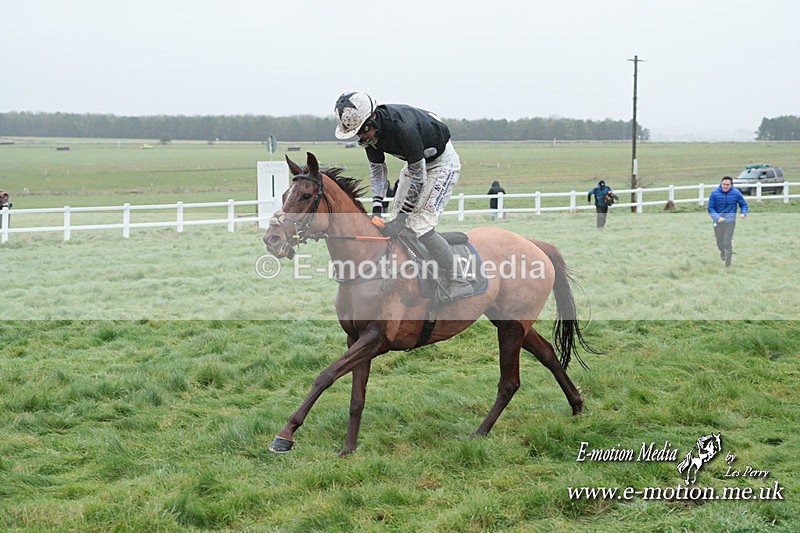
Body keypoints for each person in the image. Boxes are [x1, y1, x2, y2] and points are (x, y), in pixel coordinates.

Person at [334, 91, 471, 299]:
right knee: (395, 226)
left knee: (418, 224)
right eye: (357, 134)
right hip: (416, 164)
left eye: (363, 130)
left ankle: (458, 279)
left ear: (373, 118)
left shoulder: (404, 129)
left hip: (443, 165)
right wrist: (377, 209)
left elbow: (419, 179)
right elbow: (378, 173)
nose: (361, 137)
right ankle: (408, 270)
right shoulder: (368, 136)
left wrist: (402, 216)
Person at [708, 176, 748, 267]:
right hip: (718, 222)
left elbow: (743, 204)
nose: (725, 186)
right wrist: (717, 217)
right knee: (720, 243)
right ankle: (722, 251)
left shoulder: (736, 193)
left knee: (727, 242)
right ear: (721, 184)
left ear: (731, 185)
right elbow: (710, 208)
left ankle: (728, 265)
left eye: (728, 185)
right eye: (724, 184)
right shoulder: (714, 193)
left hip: (730, 221)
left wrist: (743, 213)